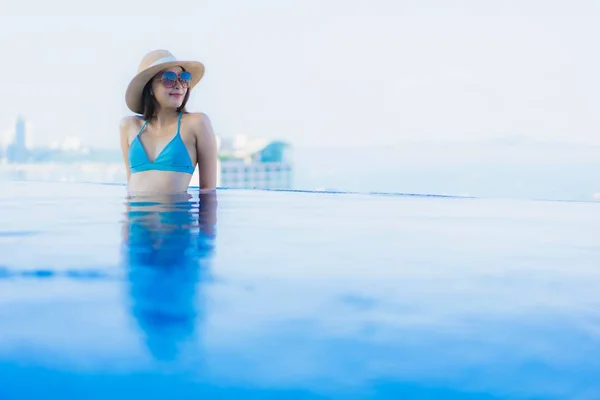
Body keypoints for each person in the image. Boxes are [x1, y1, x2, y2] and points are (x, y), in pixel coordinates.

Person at [120, 49, 218, 195]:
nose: (179, 85)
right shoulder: (129, 126)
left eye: (183, 78)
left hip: (176, 217)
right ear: (150, 88)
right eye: (169, 78)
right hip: (136, 217)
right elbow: (130, 188)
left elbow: (208, 192)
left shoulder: (197, 123)